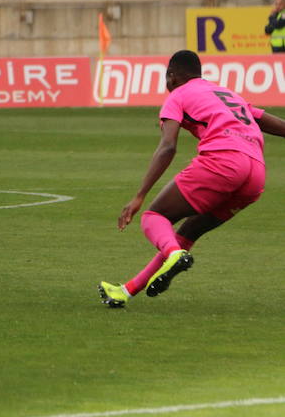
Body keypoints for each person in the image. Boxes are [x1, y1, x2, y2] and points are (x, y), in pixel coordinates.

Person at [99, 50, 285, 308]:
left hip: (224, 161)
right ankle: (126, 291)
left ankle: (175, 255)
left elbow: (167, 147)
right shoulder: (226, 93)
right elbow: (268, 122)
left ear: (173, 76)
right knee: (187, 232)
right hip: (256, 174)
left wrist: (139, 195)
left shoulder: (178, 95)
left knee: (154, 218)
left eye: (167, 79)